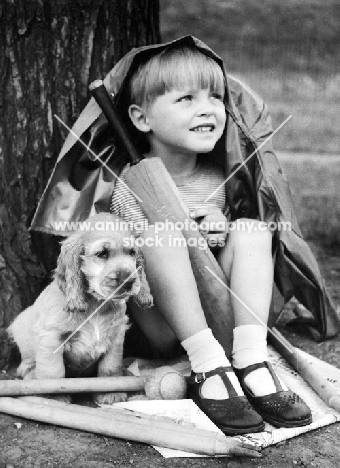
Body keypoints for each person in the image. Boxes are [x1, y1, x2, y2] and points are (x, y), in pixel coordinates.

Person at [110, 45, 312, 435]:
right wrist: (170, 232)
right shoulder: (128, 186)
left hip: (222, 315)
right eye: (187, 98)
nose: (207, 109)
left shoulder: (215, 176)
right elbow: (134, 270)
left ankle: (251, 359)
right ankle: (209, 369)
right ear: (141, 117)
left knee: (251, 230)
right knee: (160, 237)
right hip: (168, 326)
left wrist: (218, 227)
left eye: (215, 97)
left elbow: (213, 259)